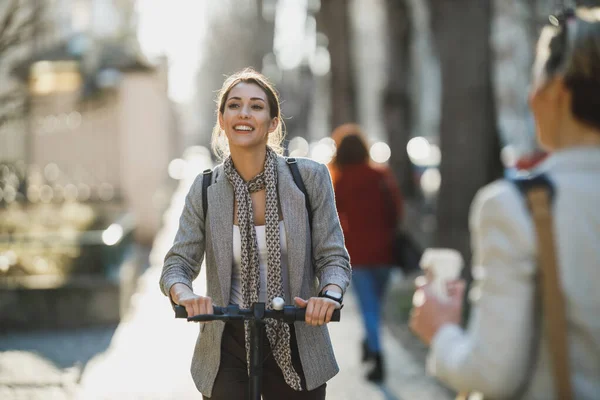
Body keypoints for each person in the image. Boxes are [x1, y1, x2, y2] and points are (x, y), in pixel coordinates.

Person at [409, 7, 600, 399]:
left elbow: (493, 374)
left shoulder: (514, 208)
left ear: (558, 92)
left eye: (536, 80)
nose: (530, 98)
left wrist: (440, 329)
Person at [159, 68, 351, 399]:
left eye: (256, 106)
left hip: (298, 334)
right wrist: (184, 295)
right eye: (234, 105)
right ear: (222, 119)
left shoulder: (309, 178)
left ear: (273, 122)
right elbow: (177, 263)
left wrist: (329, 297)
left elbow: (333, 257)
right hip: (227, 340)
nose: (244, 112)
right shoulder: (205, 189)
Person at [329, 124, 403, 383]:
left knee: (370, 308)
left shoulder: (340, 180)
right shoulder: (380, 175)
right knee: (376, 307)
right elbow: (396, 211)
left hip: (357, 254)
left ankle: (376, 355)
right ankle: (372, 346)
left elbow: (334, 218)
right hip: (384, 252)